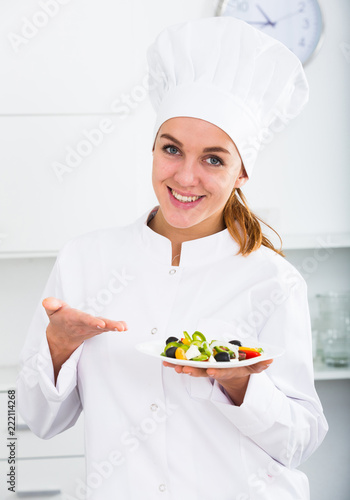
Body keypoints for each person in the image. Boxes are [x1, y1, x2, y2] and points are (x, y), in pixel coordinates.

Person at [18, 16, 328, 500]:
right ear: (154, 150)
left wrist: (241, 384)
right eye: (172, 149)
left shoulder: (273, 280)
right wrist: (57, 349)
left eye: (213, 159)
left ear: (242, 172)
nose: (185, 177)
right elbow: (39, 422)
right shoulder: (85, 261)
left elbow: (300, 440)